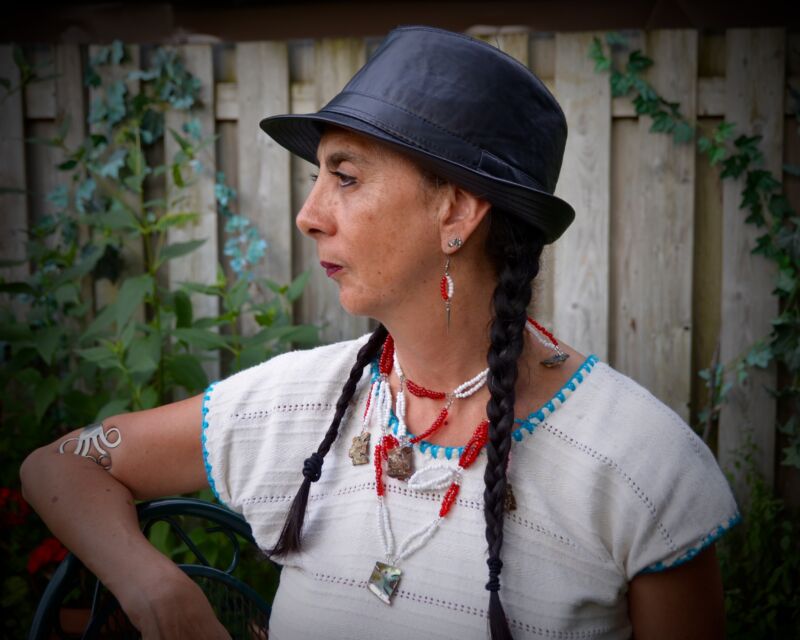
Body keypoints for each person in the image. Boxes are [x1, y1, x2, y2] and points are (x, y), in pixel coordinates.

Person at [21, 26, 739, 639]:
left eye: (346, 177)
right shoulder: (299, 404)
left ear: (456, 213)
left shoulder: (636, 464)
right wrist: (155, 583)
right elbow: (59, 465)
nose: (309, 214)